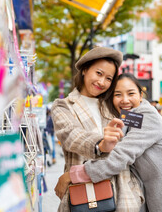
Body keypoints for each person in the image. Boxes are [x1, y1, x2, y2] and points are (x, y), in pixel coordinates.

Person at [55, 73, 162, 212]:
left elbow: (119, 158)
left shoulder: (146, 115)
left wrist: (72, 175)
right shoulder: (129, 119)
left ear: (140, 95)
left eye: (131, 93)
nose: (125, 100)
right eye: (117, 94)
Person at [51, 48, 143, 211]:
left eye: (109, 78)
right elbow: (71, 135)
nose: (102, 82)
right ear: (85, 69)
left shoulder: (114, 105)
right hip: (86, 197)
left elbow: (144, 127)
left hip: (124, 195)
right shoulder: (63, 106)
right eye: (99, 73)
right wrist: (100, 144)